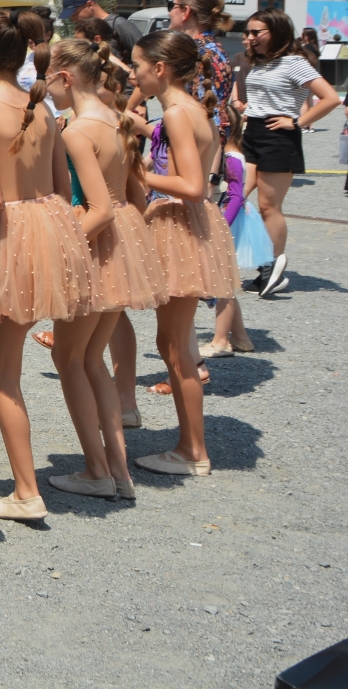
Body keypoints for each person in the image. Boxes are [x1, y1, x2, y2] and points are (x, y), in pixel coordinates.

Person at [0, 8, 95, 522]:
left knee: (5, 374)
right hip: (47, 231)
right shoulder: (45, 109)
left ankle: (27, 491)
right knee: (5, 359)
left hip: (7, 237)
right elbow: (58, 189)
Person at [42, 37, 162, 502]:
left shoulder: (76, 129)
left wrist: (60, 250)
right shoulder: (117, 118)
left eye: (50, 75)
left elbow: (99, 209)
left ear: (66, 77)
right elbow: (134, 199)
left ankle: (97, 470)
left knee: (69, 358)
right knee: (93, 360)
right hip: (121, 249)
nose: (46, 84)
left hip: (93, 245)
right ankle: (119, 471)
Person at [133, 31, 239, 477]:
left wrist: (139, 172)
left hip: (179, 224)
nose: (133, 74)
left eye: (138, 65)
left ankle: (192, 450)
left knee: (175, 345)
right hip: (187, 225)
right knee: (173, 342)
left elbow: (193, 186)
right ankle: (188, 445)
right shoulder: (193, 109)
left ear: (160, 68)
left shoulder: (177, 112)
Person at [238, 8, 340, 297]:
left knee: (269, 206)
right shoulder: (260, 63)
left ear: (276, 32)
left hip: (279, 138)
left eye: (257, 32)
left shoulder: (294, 62)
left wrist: (296, 121)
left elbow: (330, 97)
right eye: (248, 32)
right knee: (237, 197)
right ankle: (263, 263)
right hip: (253, 133)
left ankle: (270, 269)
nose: (250, 37)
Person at [206, 99, 263, 358]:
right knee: (223, 279)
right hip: (224, 217)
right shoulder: (229, 154)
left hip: (227, 219)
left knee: (222, 283)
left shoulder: (231, 157)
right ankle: (240, 337)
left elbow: (237, 195)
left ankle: (221, 341)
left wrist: (221, 225)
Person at [60, 0, 140, 69]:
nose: (73, 19)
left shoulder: (120, 25)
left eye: (75, 14)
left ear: (90, 5)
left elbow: (146, 56)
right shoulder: (83, 29)